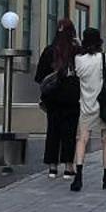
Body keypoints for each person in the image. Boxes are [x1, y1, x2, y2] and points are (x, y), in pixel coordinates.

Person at [68, 28, 106, 191]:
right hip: (103, 105)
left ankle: (79, 176)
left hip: (86, 105)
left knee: (82, 139)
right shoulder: (104, 58)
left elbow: (77, 76)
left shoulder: (78, 60)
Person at [34, 21, 81, 178]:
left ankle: (52, 167)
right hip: (72, 98)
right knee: (70, 132)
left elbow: (40, 76)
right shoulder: (76, 51)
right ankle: (68, 166)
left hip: (52, 98)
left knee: (53, 131)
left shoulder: (49, 51)